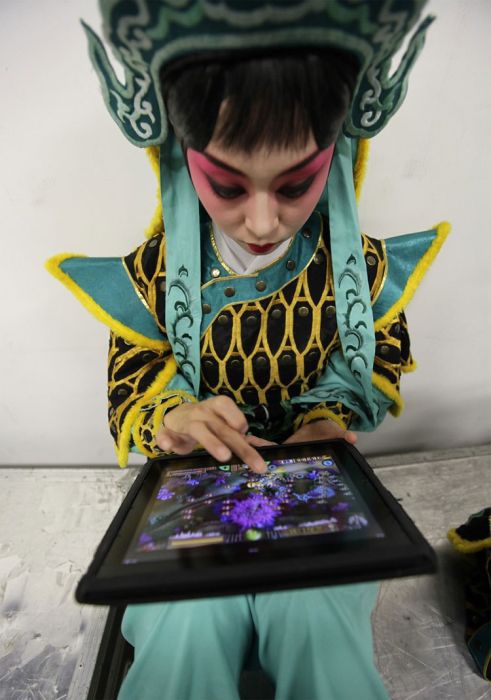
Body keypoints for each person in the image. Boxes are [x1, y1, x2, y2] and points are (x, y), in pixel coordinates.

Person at [46, 1, 449, 698]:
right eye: (227, 185)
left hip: (314, 490)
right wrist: (173, 415)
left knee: (317, 622)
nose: (262, 221)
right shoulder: (152, 279)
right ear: (182, 157)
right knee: (185, 628)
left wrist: (325, 418)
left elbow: (376, 355)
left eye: (294, 183)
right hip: (191, 497)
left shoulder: (359, 273)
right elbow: (134, 375)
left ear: (334, 154)